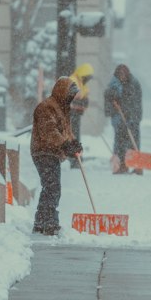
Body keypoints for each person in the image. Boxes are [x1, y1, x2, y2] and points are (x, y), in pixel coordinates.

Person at [30, 76, 81, 235]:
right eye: (70, 94)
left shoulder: (63, 109)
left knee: (51, 187)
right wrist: (65, 145)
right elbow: (49, 131)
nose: (71, 98)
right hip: (43, 151)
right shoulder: (46, 107)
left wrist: (73, 144)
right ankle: (48, 222)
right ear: (62, 92)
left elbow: (66, 132)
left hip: (53, 153)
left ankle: (42, 222)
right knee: (52, 187)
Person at [104, 62, 143, 173]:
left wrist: (131, 116)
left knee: (133, 140)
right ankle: (122, 165)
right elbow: (108, 99)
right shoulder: (113, 85)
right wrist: (113, 105)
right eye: (119, 74)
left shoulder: (133, 84)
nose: (121, 76)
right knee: (120, 142)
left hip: (132, 117)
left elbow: (135, 102)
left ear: (127, 74)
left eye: (123, 74)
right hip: (119, 117)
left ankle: (136, 166)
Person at [68, 63, 94, 168]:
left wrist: (84, 103)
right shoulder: (72, 80)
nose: (87, 80)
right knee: (71, 136)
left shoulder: (82, 83)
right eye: (86, 77)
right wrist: (79, 103)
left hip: (75, 114)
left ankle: (76, 157)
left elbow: (84, 97)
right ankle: (72, 158)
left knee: (75, 135)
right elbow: (69, 99)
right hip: (69, 113)